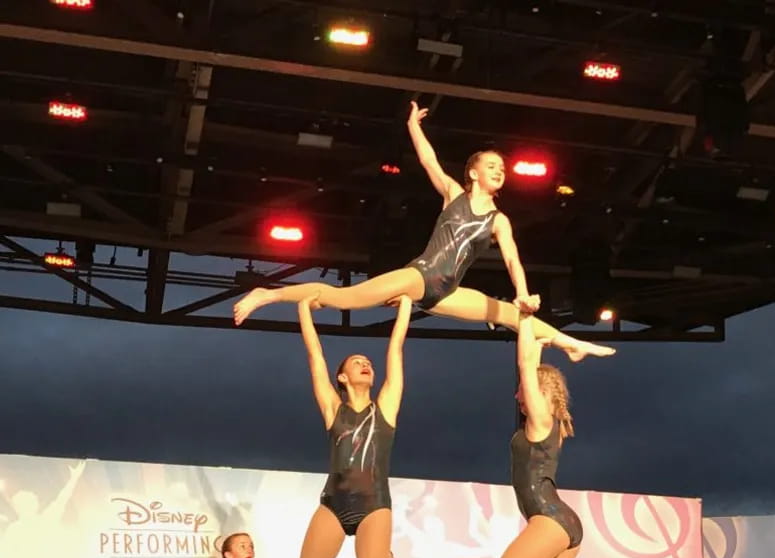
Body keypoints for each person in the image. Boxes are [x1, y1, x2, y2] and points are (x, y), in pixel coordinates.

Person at [233, 102, 615, 364]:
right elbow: (428, 160)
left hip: (446, 291)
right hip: (420, 275)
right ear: (473, 173)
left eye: (503, 168)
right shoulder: (453, 194)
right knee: (341, 298)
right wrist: (413, 126)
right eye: (492, 165)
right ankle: (267, 293)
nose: (501, 171)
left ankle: (570, 344)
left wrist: (521, 296)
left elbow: (513, 259)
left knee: (511, 317)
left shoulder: (499, 220)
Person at [240, 295, 412, 558]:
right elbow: (314, 356)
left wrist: (404, 307)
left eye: (368, 362)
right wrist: (303, 310)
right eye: (356, 363)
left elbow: (396, 348)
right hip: (333, 504)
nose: (366, 364)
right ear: (342, 378)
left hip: (373, 506)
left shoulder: (384, 407)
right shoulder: (334, 410)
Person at [483, 315, 604, 558]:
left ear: (537, 390)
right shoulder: (550, 423)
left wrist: (523, 324)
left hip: (549, 518)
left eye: (523, 389)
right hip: (566, 524)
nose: (518, 394)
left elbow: (525, 365)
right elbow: (530, 363)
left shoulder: (539, 420)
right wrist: (533, 334)